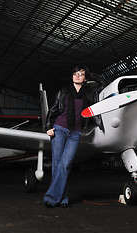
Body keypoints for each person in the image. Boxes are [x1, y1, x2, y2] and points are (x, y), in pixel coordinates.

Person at [43, 64, 107, 208]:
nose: (78, 75)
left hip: (75, 133)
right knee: (57, 164)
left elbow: (104, 82)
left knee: (65, 165)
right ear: (72, 76)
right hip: (59, 129)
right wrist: (48, 127)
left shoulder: (90, 92)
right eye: (75, 73)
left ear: (85, 78)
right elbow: (53, 110)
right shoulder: (63, 91)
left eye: (81, 74)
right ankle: (60, 198)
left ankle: (53, 197)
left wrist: (90, 74)